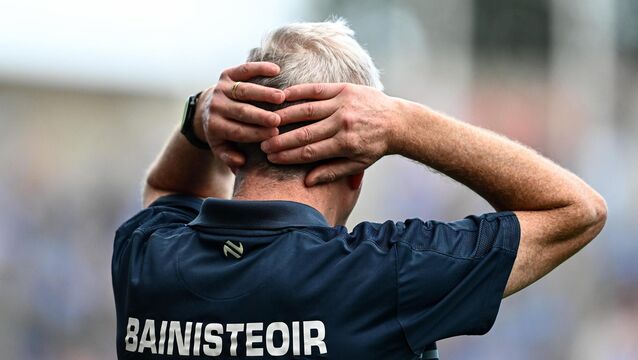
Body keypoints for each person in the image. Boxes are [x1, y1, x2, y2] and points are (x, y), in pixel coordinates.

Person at [112, 20, 607, 359]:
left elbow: (166, 187)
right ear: (357, 167)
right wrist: (402, 123)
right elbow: (578, 209)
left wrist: (197, 117)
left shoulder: (148, 257)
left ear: (230, 147)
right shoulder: (381, 274)